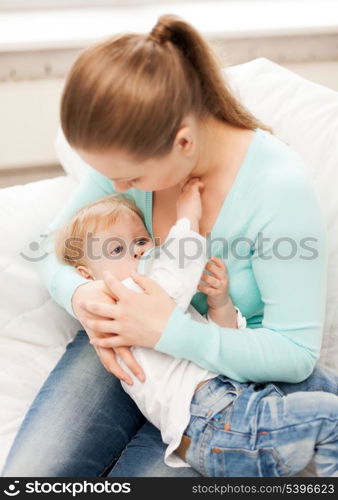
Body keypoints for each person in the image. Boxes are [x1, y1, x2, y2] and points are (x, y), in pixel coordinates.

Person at [1, 14, 335, 477]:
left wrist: (167, 331)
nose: (116, 186)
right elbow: (53, 248)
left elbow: (295, 353)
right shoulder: (128, 149)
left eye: (131, 179)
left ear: (183, 142)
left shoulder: (278, 188)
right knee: (33, 478)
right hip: (127, 350)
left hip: (222, 385)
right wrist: (83, 296)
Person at [52, 184, 338, 477]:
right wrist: (188, 218)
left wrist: (219, 304)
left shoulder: (159, 302)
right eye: (117, 249)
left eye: (141, 240)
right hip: (218, 421)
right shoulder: (121, 303)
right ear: (88, 277)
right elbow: (177, 274)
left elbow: (225, 348)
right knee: (331, 416)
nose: (138, 251)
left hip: (230, 416)